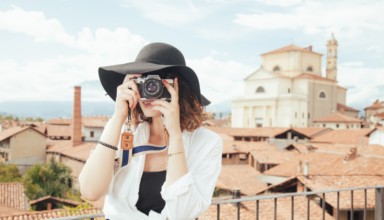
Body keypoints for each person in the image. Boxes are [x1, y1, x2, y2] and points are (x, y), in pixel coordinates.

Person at [79, 42, 223, 220]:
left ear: (178, 88)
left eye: (156, 83)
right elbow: (90, 191)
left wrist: (175, 135)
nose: (148, 91)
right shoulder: (123, 130)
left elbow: (182, 214)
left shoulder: (207, 143)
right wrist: (118, 117)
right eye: (142, 83)